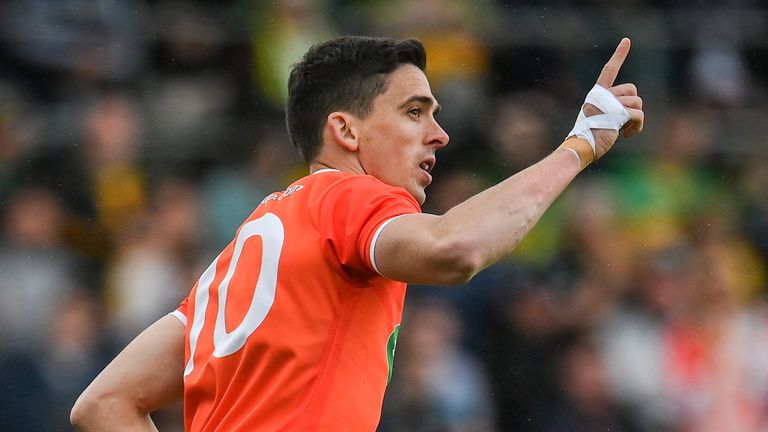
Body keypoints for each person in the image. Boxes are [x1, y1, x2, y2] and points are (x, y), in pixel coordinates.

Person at [70, 35, 644, 431]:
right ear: (344, 130)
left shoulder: (241, 252)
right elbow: (455, 248)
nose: (439, 135)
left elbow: (103, 403)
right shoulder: (348, 195)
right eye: (415, 112)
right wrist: (580, 146)